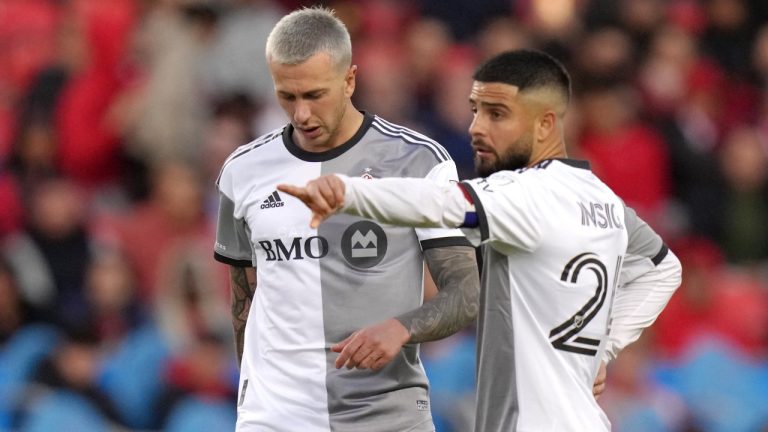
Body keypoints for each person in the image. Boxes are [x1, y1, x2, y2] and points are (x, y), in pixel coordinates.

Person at [279, 49, 683, 431]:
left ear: (545, 123)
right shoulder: (602, 198)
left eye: (497, 115)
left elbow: (440, 203)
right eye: (475, 112)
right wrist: (603, 349)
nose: (476, 128)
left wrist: (347, 192)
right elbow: (663, 269)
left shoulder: (524, 195)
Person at [212, 7, 479, 431]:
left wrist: (401, 328)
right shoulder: (243, 172)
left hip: (387, 416)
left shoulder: (418, 162)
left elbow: (467, 293)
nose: (301, 114)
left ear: (350, 80)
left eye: (315, 95)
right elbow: (243, 300)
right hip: (277, 418)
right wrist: (251, 399)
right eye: (287, 95)